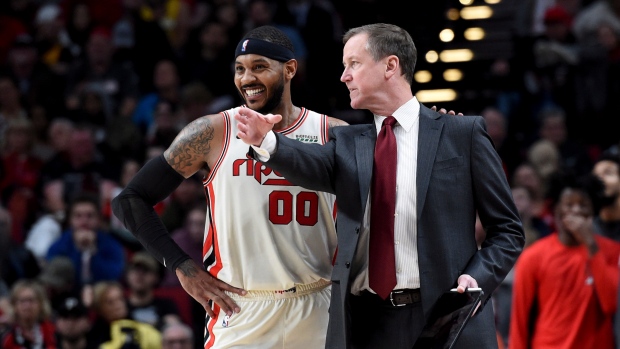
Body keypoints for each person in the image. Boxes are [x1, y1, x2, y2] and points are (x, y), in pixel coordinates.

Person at [235, 23, 525, 349]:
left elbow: (508, 231)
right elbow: (307, 162)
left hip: (447, 318)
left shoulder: (462, 133)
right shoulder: (346, 141)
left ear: (390, 66)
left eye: (353, 64)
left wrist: (477, 278)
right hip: (369, 325)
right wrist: (267, 142)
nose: (344, 76)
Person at [112, 25, 348, 348]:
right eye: (240, 69)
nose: (247, 78)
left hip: (318, 304)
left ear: (290, 69)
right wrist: (181, 266)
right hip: (240, 307)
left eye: (259, 67)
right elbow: (129, 200)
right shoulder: (213, 132)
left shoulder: (333, 134)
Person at [509, 173, 620, 349]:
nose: (575, 210)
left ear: (594, 211)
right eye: (569, 204)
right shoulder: (533, 256)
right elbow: (519, 321)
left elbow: (611, 305)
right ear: (556, 210)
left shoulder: (613, 251)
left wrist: (591, 245)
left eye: (583, 205)